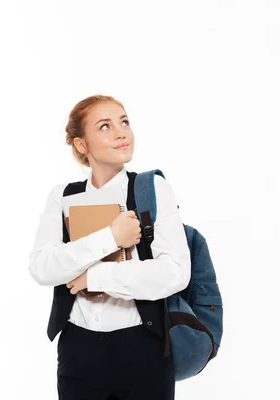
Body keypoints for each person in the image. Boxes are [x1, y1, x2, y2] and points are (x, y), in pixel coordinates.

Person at [28, 94, 191, 399]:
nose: (121, 132)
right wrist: (111, 238)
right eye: (105, 126)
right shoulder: (62, 196)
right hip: (79, 350)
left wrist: (93, 278)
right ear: (81, 145)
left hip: (144, 347)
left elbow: (175, 272)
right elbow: (41, 266)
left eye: (124, 122)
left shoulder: (152, 188)